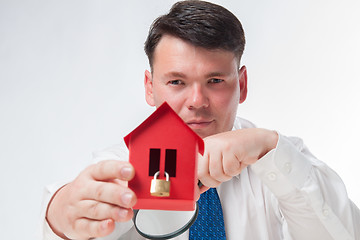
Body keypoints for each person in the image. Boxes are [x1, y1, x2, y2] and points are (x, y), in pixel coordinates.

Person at [41, 1, 360, 239]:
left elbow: (342, 233)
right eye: (177, 82)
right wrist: (61, 210)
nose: (197, 101)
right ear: (150, 88)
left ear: (242, 85)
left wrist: (268, 146)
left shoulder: (279, 160)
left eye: (216, 81)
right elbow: (71, 216)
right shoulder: (122, 165)